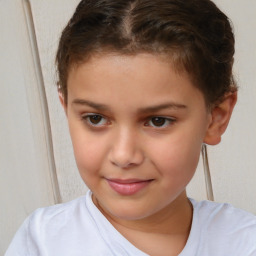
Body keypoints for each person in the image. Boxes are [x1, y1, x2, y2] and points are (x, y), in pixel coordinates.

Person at [5, 0, 256, 255]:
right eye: (95, 118)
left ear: (216, 118)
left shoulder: (245, 242)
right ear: (66, 108)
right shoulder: (43, 242)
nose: (124, 156)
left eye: (158, 121)